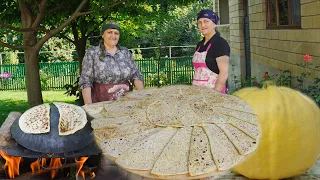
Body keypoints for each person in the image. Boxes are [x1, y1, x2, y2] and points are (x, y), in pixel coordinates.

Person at [79, 20, 144, 104]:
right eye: (109, 32)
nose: (113, 36)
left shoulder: (125, 52)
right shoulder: (92, 53)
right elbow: (86, 80)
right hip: (101, 101)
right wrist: (89, 107)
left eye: (116, 33)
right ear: (102, 35)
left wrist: (143, 99)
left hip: (125, 102)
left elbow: (136, 75)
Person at [192, 9, 230, 93]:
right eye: (200, 22)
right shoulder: (200, 45)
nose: (203, 25)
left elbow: (224, 73)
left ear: (214, 24)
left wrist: (214, 95)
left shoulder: (220, 43)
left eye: (206, 21)